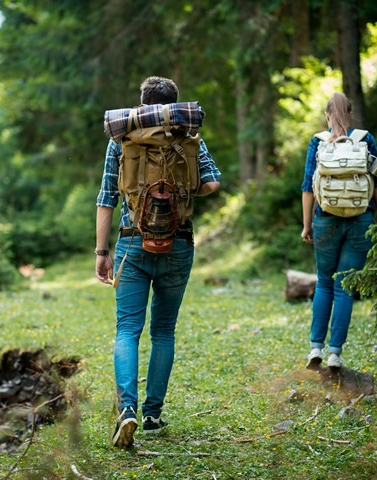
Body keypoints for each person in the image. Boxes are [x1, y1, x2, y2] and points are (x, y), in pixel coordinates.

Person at [95, 76, 221, 447]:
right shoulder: (189, 137)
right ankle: (152, 414)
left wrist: (103, 253)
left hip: (132, 244)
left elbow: (106, 198)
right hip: (178, 242)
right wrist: (180, 188)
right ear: (172, 104)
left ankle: (127, 410)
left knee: (127, 329)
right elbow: (213, 183)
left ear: (142, 103)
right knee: (163, 330)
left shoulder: (123, 138)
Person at [300, 92, 377, 370]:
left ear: (327, 116)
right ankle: (335, 353)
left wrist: (306, 225)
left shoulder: (317, 142)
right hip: (360, 220)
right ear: (350, 114)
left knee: (324, 282)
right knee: (344, 287)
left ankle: (316, 349)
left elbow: (306, 187)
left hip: (325, 219)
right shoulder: (365, 139)